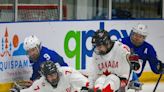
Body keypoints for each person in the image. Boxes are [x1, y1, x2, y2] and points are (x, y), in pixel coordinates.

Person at [121, 24, 164, 90]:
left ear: (144, 38)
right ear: (132, 33)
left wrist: (159, 67)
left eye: (140, 36)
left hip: (133, 78)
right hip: (119, 74)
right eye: (135, 35)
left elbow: (154, 66)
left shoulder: (148, 48)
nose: (137, 38)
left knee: (136, 85)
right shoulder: (122, 42)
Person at [11, 61, 90, 92]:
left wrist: (91, 88)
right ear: (45, 77)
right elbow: (31, 90)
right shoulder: (42, 83)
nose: (53, 78)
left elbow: (86, 83)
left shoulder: (67, 73)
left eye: (54, 74)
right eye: (50, 76)